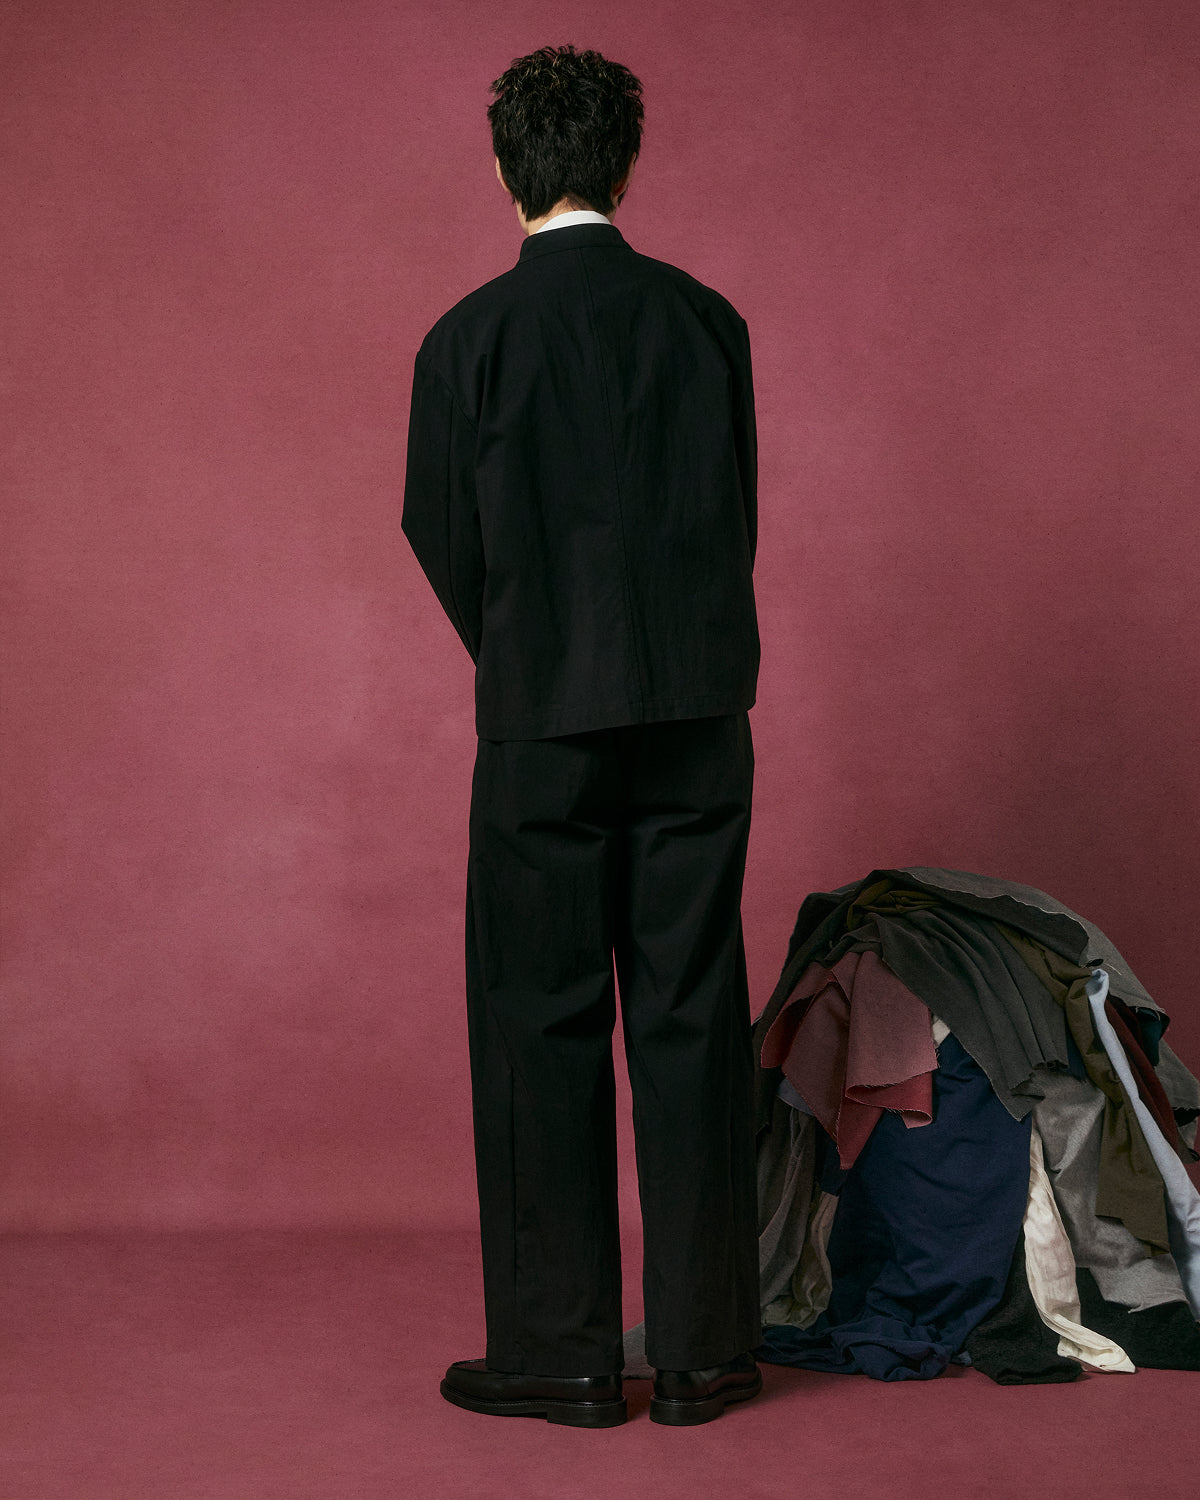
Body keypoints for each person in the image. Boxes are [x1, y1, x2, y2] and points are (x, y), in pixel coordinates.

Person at [401, 43, 763, 1427]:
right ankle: (706, 1353)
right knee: (690, 1018)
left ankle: (558, 1357)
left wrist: (533, 652)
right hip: (695, 719)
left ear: (506, 169)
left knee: (538, 1022)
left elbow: (444, 535)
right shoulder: (706, 322)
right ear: (627, 162)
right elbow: (729, 514)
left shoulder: (464, 343)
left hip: (540, 726)